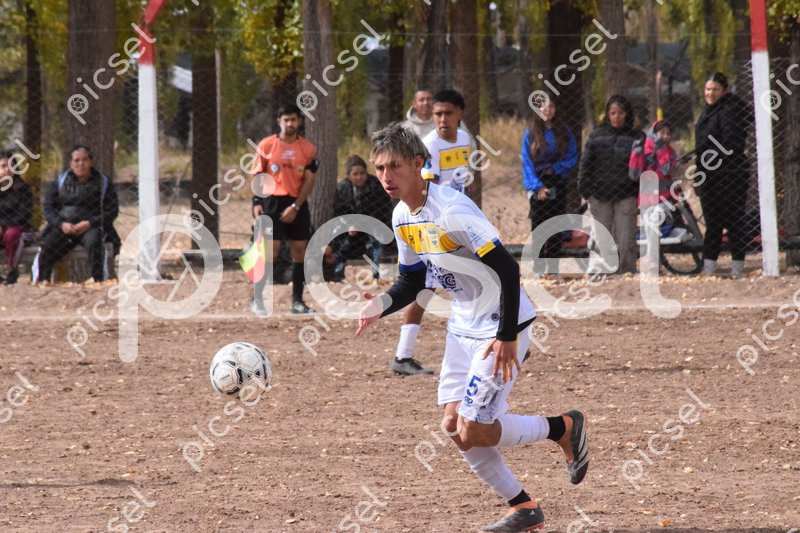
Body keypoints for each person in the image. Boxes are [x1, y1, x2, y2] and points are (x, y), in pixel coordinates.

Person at [357, 123, 589, 532]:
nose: (386, 176)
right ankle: (524, 507)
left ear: (417, 163)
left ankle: (562, 427)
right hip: (463, 322)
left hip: (501, 322)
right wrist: (381, 304)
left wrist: (506, 336)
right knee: (453, 427)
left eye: (394, 166)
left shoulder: (451, 209)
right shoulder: (401, 215)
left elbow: (507, 268)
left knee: (476, 429)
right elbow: (411, 280)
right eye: (379, 168)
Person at [393, 89, 476, 376]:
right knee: (425, 289)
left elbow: (460, 180)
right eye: (438, 114)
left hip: (455, 222)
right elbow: (428, 189)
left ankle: (500, 334)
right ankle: (403, 356)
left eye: (447, 113)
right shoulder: (430, 145)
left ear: (460, 114)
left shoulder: (464, 139)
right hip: (434, 225)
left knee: (481, 274)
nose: (441, 119)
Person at [251, 103, 319, 315]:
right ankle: (258, 300)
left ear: (300, 122)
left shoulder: (308, 149)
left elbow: (309, 180)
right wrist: (256, 202)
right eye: (286, 120)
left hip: (297, 203)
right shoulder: (266, 145)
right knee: (269, 251)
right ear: (279, 121)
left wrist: (296, 206)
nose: (290, 124)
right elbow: (258, 175)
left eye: (293, 120)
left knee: (299, 251)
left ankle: (297, 301)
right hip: (272, 202)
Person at [694, 72, 752, 278]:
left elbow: (731, 144)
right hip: (709, 175)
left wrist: (710, 160)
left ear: (724, 91)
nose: (710, 93)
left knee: (734, 222)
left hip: (730, 175)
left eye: (715, 90)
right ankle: (709, 267)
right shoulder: (708, 111)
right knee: (713, 224)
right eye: (708, 89)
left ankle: (737, 268)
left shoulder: (729, 111)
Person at [578, 95, 645, 274]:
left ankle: (627, 269)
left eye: (620, 113)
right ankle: (599, 268)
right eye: (613, 113)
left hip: (627, 194)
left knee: (626, 236)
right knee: (601, 234)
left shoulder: (637, 137)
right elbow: (586, 164)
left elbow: (644, 164)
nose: (616, 117)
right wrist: (585, 189)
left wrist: (637, 190)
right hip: (600, 195)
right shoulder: (596, 136)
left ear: (627, 114)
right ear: (607, 114)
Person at [36, 146, 119, 283]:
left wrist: (90, 223)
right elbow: (48, 208)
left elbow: (112, 210)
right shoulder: (60, 181)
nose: (81, 164)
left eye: (85, 160)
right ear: (71, 163)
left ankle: (98, 281)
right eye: (77, 160)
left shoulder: (104, 182)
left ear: (91, 162)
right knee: (47, 247)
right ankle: (42, 281)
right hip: (65, 227)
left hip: (92, 227)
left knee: (95, 242)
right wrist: (61, 224)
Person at [521, 98, 578, 268]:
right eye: (544, 107)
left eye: (551, 106)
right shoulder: (531, 133)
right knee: (539, 223)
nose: (548, 110)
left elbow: (572, 155)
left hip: (557, 179)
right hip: (538, 181)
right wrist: (537, 186)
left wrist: (555, 169)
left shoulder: (564, 131)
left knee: (556, 222)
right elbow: (526, 162)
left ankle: (553, 265)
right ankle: (538, 265)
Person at [329, 155, 393, 282]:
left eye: (362, 173)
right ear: (348, 175)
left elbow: (382, 211)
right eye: (355, 174)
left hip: (373, 226)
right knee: (337, 236)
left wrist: (361, 225)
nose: (359, 177)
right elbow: (339, 212)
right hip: (350, 229)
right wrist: (349, 225)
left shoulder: (376, 186)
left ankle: (377, 275)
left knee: (377, 240)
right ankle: (337, 274)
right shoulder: (342, 188)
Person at [0, 151, 33, 285]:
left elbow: (24, 214)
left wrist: (3, 226)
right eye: (3, 166)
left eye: (11, 166)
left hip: (18, 228)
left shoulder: (23, 189)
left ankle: (11, 271)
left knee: (11, 234)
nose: (7, 169)